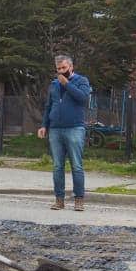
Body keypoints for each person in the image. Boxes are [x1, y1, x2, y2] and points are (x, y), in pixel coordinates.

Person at [37, 54, 93, 211]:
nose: (61, 71)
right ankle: (59, 200)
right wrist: (44, 125)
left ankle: (79, 200)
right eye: (58, 69)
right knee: (57, 166)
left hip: (74, 128)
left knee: (76, 165)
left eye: (64, 68)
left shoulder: (81, 81)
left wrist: (67, 84)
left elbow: (82, 98)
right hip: (55, 129)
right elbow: (49, 106)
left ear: (71, 67)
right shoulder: (54, 84)